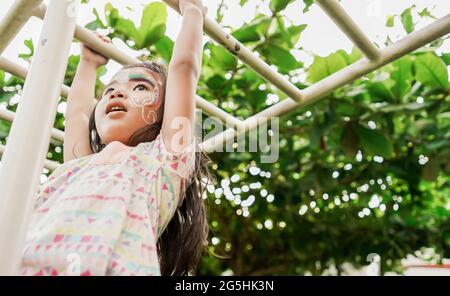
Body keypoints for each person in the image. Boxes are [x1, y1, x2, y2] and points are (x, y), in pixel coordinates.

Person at [20, 0, 211, 276]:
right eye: (109, 90)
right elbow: (76, 115)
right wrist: (88, 63)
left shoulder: (165, 161)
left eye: (141, 87)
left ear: (166, 111)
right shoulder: (80, 163)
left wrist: (193, 12)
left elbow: (184, 69)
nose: (116, 93)